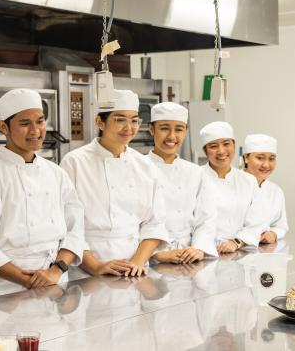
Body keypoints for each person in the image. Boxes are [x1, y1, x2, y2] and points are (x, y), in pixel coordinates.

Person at [0, 88, 87, 298]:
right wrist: (31, 280)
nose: (35, 130)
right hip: (8, 293)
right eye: (24, 123)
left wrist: (55, 271)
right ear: (3, 127)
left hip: (57, 285)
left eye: (40, 121)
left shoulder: (56, 174)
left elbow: (75, 230)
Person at [60, 89, 169, 277]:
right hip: (86, 270)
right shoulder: (74, 162)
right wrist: (96, 268)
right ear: (100, 122)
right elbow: (67, 226)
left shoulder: (145, 166)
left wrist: (136, 262)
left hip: (135, 268)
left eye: (134, 120)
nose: (129, 128)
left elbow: (155, 223)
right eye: (120, 120)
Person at [146, 102, 218, 263]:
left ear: (185, 131)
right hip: (149, 259)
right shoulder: (138, 168)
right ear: (151, 129)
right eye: (164, 128)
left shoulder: (196, 172)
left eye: (179, 129)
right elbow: (129, 222)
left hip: (188, 256)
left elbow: (206, 218)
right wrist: (155, 254)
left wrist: (199, 248)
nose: (172, 136)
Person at [199, 121, 264, 254]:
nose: (221, 151)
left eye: (226, 144)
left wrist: (236, 242)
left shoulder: (248, 181)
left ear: (234, 145)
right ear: (205, 151)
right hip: (204, 253)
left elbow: (257, 221)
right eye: (213, 146)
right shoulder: (195, 177)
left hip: (239, 252)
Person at [242, 134, 288, 244]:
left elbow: (280, 225)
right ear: (246, 158)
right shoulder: (234, 185)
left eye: (271, 159)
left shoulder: (276, 191)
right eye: (260, 158)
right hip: (233, 251)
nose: (266, 165)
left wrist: (274, 233)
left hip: (264, 252)